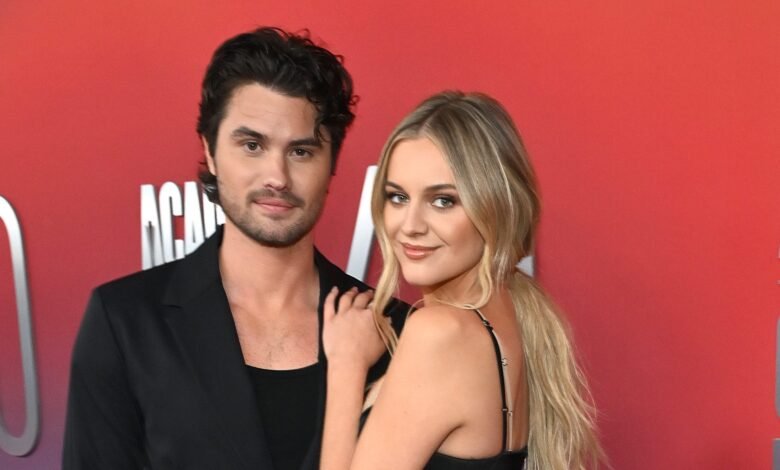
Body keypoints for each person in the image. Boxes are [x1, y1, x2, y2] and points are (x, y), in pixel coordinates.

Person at [62, 27, 405, 470]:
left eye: (301, 152)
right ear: (210, 151)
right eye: (252, 145)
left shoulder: (394, 329)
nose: (277, 176)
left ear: (332, 163)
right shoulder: (126, 322)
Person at [320, 91, 602, 470]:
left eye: (443, 201)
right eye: (398, 197)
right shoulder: (512, 314)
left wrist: (346, 367)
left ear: (496, 207)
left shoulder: (440, 333)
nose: (411, 225)